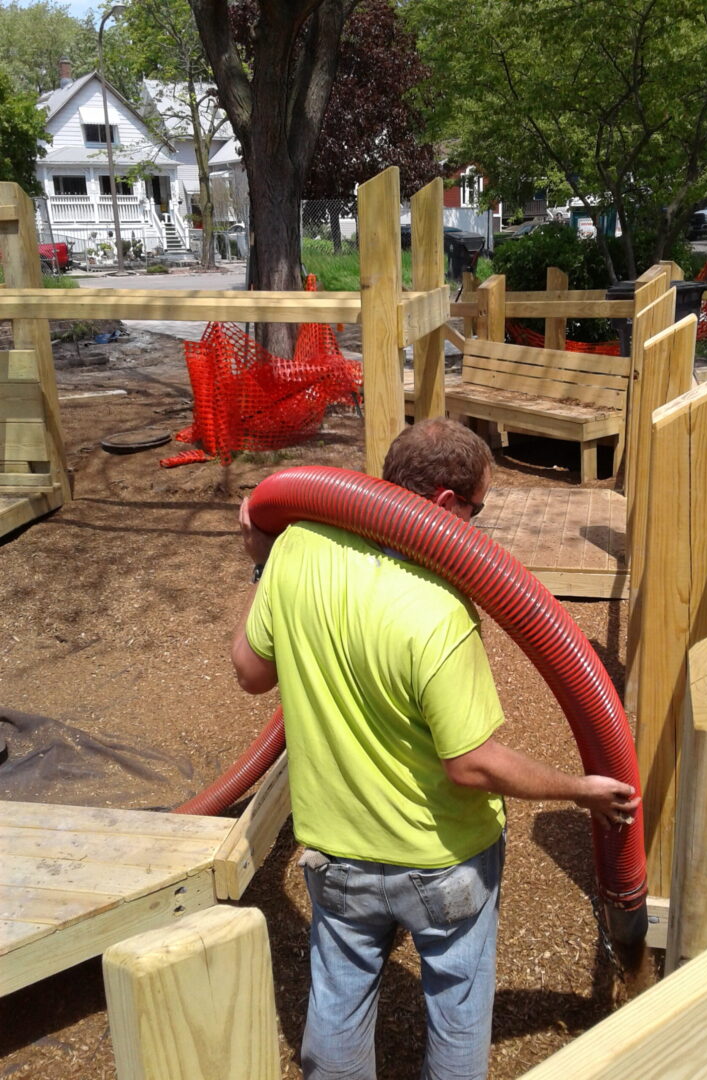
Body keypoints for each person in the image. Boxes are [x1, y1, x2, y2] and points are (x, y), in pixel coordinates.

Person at [232, 417, 639, 1080]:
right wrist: (579, 787)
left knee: (338, 999)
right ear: (447, 505)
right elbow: (471, 763)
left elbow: (251, 675)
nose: (476, 526)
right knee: (456, 1006)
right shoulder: (439, 607)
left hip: (338, 851)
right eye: (478, 508)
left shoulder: (299, 549)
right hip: (442, 861)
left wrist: (261, 566)